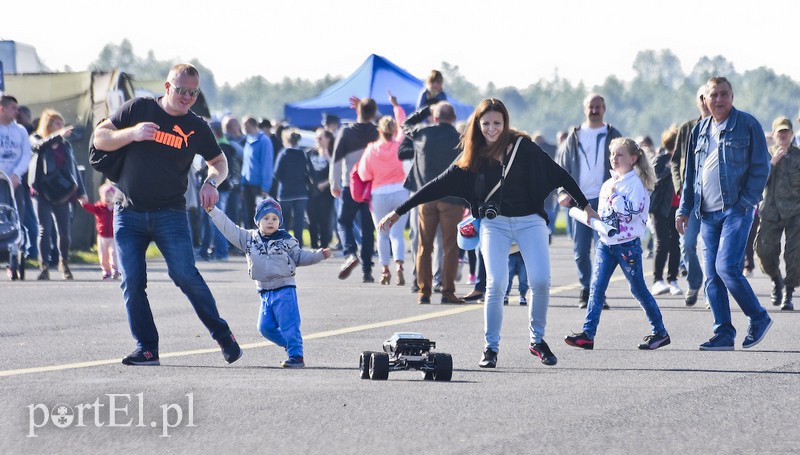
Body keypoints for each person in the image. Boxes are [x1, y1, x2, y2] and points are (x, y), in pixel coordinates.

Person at [379, 98, 597, 368]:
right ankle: (490, 348)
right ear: (477, 126)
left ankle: (537, 340)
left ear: (505, 123)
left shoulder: (523, 148)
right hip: (495, 225)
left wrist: (586, 206)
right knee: (496, 284)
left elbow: (560, 174)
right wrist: (399, 211)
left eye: (497, 123)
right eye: (486, 124)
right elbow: (436, 185)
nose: (492, 129)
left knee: (540, 281)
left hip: (530, 221)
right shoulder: (472, 156)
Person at [92, 63, 242, 366]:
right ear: (167, 87)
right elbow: (99, 138)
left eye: (193, 92)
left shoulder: (196, 126)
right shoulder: (138, 109)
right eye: (181, 90)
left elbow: (219, 161)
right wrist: (132, 133)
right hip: (128, 210)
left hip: (170, 213)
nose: (186, 96)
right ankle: (147, 347)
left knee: (184, 274)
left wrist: (212, 181)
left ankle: (222, 334)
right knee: (132, 281)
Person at [676, 76, 772, 351]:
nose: (718, 100)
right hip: (707, 212)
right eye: (713, 95)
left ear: (732, 96)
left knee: (726, 267)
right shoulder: (700, 129)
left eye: (723, 94)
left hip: (736, 210)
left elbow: (761, 167)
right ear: (705, 100)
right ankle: (723, 333)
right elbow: (691, 173)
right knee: (712, 276)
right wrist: (684, 208)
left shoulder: (748, 124)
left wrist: (745, 202)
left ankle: (758, 317)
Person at [565, 138, 671, 350]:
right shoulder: (608, 184)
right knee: (596, 287)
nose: (614, 158)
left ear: (633, 159)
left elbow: (631, 213)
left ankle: (660, 332)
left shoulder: (637, 184)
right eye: (612, 154)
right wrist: (593, 218)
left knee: (638, 288)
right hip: (606, 243)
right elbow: (605, 213)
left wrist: (615, 199)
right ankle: (588, 334)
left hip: (627, 246)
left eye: (619, 155)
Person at [208, 197, 331, 368]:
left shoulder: (287, 240)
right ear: (258, 221)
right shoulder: (249, 238)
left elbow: (301, 256)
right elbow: (229, 229)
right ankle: (288, 345)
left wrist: (319, 255)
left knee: (290, 325)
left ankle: (296, 356)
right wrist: (213, 211)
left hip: (285, 289)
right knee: (264, 328)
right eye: (266, 218)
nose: (270, 222)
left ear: (279, 221)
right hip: (264, 292)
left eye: (274, 219)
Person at [556, 93, 622, 309]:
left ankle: (598, 292)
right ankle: (586, 289)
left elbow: (627, 164)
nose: (594, 110)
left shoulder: (613, 135)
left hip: (605, 201)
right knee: (580, 250)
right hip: (578, 201)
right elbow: (561, 168)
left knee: (604, 249)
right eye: (591, 107)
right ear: (585, 109)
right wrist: (562, 192)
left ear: (604, 108)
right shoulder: (573, 137)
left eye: (598, 106)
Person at [400, 101, 465, 304]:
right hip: (453, 199)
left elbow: (405, 124)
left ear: (435, 118)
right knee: (449, 247)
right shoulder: (461, 138)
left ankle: (424, 292)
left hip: (426, 197)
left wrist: (425, 110)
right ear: (453, 118)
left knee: (423, 246)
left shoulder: (422, 133)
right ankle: (447, 292)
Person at [28, 109, 88, 280]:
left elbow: (74, 168)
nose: (62, 127)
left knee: (64, 231)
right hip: (42, 191)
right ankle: (44, 265)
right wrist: (57, 135)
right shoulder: (36, 138)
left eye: (62, 124)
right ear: (48, 124)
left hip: (62, 191)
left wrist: (81, 191)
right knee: (44, 229)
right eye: (57, 124)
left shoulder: (65, 145)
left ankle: (64, 263)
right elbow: (38, 147)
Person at [358, 93, 408, 286]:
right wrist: (396, 107)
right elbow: (404, 125)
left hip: (379, 193)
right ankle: (399, 265)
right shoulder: (400, 145)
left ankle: (385, 269)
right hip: (400, 191)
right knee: (397, 233)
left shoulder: (371, 149)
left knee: (382, 232)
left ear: (379, 131)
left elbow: (364, 174)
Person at [330, 97, 379, 283]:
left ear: (357, 111)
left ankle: (350, 253)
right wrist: (369, 110)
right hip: (371, 186)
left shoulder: (346, 132)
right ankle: (367, 270)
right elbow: (385, 123)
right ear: (373, 114)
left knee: (343, 222)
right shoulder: (377, 132)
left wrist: (333, 183)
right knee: (368, 228)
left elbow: (336, 160)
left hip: (350, 185)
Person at [671, 86, 711, 306]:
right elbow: (675, 161)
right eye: (702, 98)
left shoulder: (721, 127)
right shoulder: (687, 128)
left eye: (709, 96)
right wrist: (679, 187)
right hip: (691, 196)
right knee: (686, 243)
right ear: (698, 101)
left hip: (714, 197)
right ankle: (694, 282)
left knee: (709, 245)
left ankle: (710, 291)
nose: (706, 101)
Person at [755, 117, 800, 311]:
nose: (783, 135)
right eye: (779, 132)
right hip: (771, 213)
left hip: (795, 213)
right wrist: (773, 163)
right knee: (764, 252)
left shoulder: (798, 156)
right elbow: (757, 184)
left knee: (795, 256)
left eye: (786, 132)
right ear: (773, 135)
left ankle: (788, 293)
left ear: (791, 134)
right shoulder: (764, 156)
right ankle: (776, 280)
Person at [649, 127, 682, 297]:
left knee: (675, 243)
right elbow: (653, 179)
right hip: (661, 207)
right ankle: (657, 280)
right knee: (662, 242)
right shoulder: (661, 159)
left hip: (678, 207)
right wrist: (670, 169)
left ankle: (673, 279)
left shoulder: (682, 159)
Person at [0, 96, 32, 263]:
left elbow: (26, 154)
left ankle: (15, 252)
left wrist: (16, 174)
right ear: (2, 109)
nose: (16, 111)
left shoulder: (20, 130)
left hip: (14, 181)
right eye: (13, 108)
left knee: (16, 215)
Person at [274, 128, 311, 247]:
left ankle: (285, 243)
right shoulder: (303, 154)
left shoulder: (283, 154)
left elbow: (277, 173)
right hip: (301, 191)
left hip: (286, 192)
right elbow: (308, 172)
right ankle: (298, 243)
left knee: (284, 219)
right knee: (299, 220)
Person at [79, 182, 120, 279]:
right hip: (102, 236)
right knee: (103, 255)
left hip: (114, 236)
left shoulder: (117, 208)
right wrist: (84, 203)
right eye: (105, 196)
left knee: (113, 253)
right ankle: (106, 271)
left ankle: (115, 270)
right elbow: (90, 208)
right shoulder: (99, 207)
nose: (108, 198)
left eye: (110, 196)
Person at [241, 116, 274, 229]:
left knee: (259, 216)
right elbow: (246, 164)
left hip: (258, 185)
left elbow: (267, 165)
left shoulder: (264, 141)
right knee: (248, 215)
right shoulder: (248, 140)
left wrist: (265, 187)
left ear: (250, 124)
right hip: (247, 184)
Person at [306, 128, 335, 249]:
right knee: (312, 220)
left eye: (320, 137)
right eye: (316, 138)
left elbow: (336, 171)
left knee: (324, 220)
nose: (317, 140)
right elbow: (306, 172)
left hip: (326, 193)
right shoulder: (310, 153)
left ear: (327, 139)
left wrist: (326, 184)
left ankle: (324, 246)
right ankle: (313, 246)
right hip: (311, 192)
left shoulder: (333, 154)